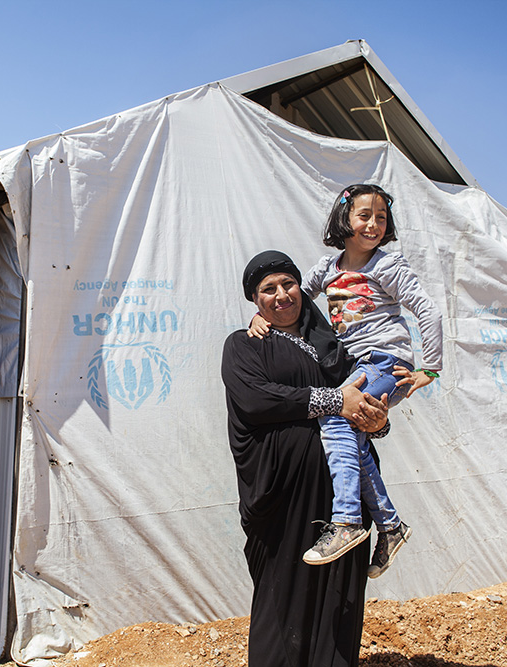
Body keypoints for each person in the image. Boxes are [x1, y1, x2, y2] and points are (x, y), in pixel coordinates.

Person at [248, 184, 442, 577]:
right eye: (364, 215)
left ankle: (349, 521)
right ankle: (390, 526)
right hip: (358, 364)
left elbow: (428, 310)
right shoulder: (328, 268)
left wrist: (430, 369)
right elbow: (293, 298)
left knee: (336, 417)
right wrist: (261, 316)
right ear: (344, 219)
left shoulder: (387, 267)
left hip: (385, 361)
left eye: (381, 217)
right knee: (352, 436)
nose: (373, 224)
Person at [222, 250, 390, 667]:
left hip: (342, 504)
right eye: (268, 289)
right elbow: (256, 399)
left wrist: (378, 421)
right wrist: (337, 400)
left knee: (339, 600)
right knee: (284, 594)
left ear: (302, 287)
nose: (281, 295)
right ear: (255, 300)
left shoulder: (336, 348)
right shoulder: (244, 345)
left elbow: (366, 404)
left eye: (288, 284)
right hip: (283, 499)